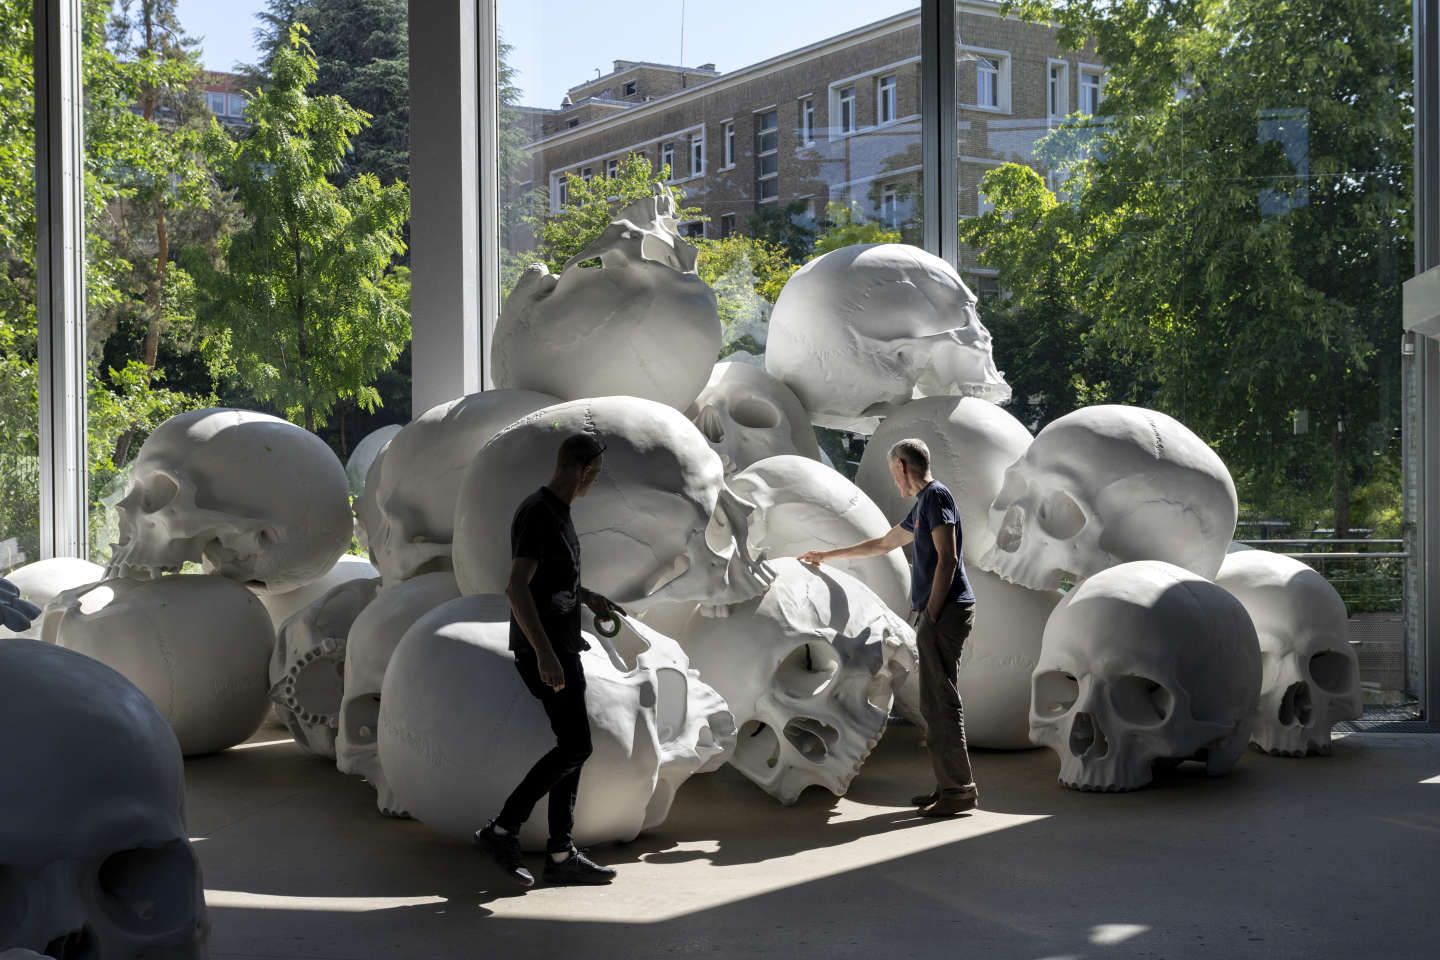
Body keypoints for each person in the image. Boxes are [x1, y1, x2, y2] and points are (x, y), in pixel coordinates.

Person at [799, 438, 979, 817]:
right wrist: (826, 557)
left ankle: (959, 790)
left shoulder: (936, 497)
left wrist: (929, 614)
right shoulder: (924, 504)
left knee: (941, 701)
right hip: (939, 612)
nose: (893, 478)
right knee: (934, 702)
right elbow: (883, 544)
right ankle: (949, 786)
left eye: (891, 470)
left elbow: (947, 559)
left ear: (901, 466)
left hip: (946, 612)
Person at [476, 432, 624, 886]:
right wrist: (544, 654)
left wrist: (591, 598)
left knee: (572, 748)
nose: (594, 483)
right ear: (581, 470)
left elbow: (553, 582)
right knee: (577, 746)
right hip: (546, 652)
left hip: (562, 647)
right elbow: (517, 587)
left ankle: (561, 854)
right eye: (594, 475)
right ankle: (502, 829)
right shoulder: (539, 513)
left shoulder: (559, 512)